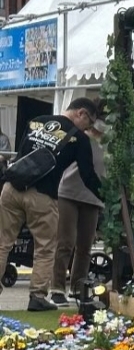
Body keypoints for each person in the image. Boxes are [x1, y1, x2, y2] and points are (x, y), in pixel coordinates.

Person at [0, 100, 102, 311]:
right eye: (89, 123)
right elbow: (87, 175)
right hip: (43, 195)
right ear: (81, 113)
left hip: (12, 188)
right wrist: (106, 195)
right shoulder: (79, 138)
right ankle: (37, 296)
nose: (89, 129)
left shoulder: (36, 122)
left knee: (3, 243)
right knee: (45, 248)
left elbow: (23, 154)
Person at [54, 111, 107, 297]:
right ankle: (57, 288)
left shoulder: (111, 142)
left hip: (93, 198)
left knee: (85, 246)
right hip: (69, 192)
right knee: (65, 243)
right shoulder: (80, 136)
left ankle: (78, 287)